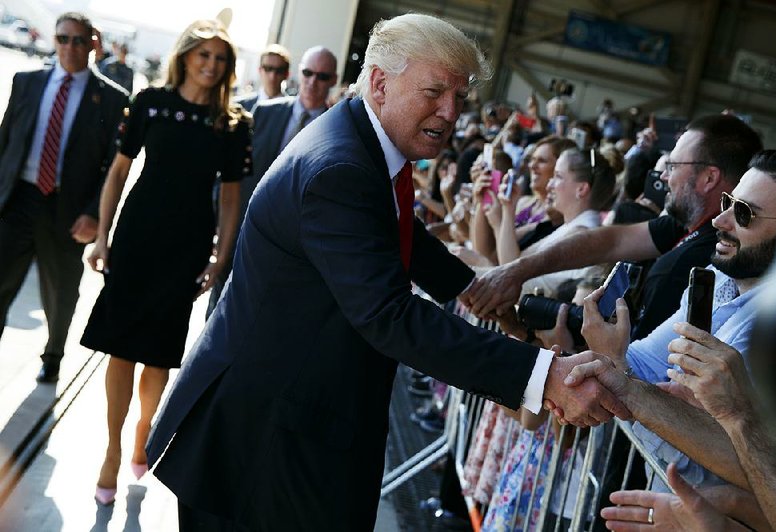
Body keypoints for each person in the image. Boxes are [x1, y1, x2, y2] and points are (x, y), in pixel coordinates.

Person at [146, 13, 630, 530]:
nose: (450, 113)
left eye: (460, 97)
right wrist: (542, 376)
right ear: (379, 82)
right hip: (260, 449)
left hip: (283, 428)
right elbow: (389, 315)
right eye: (434, 92)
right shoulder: (342, 169)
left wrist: (477, 291)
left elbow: (403, 236)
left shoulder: (359, 143)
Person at [79, 18, 251, 505]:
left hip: (188, 244)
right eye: (204, 55)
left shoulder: (233, 122)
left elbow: (232, 198)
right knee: (121, 347)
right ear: (186, 55)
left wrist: (221, 256)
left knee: (158, 353)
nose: (211, 66)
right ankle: (112, 449)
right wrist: (103, 237)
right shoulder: (150, 102)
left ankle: (145, 430)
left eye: (220, 59)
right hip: (137, 238)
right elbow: (117, 173)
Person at [557, 150, 776, 492]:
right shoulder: (717, 277)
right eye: (728, 202)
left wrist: (616, 370)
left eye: (744, 214)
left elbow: (714, 468)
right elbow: (643, 362)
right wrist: (599, 357)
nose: (720, 220)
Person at [467, 114, 763, 341]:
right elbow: (611, 241)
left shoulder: (712, 255)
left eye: (673, 166)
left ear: (709, 178)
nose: (665, 178)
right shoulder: (683, 224)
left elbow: (640, 361)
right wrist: (520, 270)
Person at [0, 12, 128, 383]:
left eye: (78, 40)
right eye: (62, 39)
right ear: (53, 41)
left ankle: (53, 356)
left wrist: (94, 215)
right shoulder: (27, 82)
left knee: (60, 293)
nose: (69, 47)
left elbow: (111, 169)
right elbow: (6, 140)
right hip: (18, 202)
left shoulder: (110, 98)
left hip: (67, 211)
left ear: (92, 44)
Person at [206, 45, 338, 314]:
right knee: (217, 315)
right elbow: (227, 177)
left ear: (333, 80)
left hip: (290, 253)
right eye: (308, 73)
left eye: (322, 76)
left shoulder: (338, 130)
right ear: (298, 74)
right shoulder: (263, 112)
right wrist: (217, 224)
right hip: (238, 234)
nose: (313, 81)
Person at [237, 43, 290, 111]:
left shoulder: (292, 112)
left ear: (287, 74)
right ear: (260, 70)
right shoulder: (240, 106)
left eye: (279, 70)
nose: (272, 75)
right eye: (268, 68)